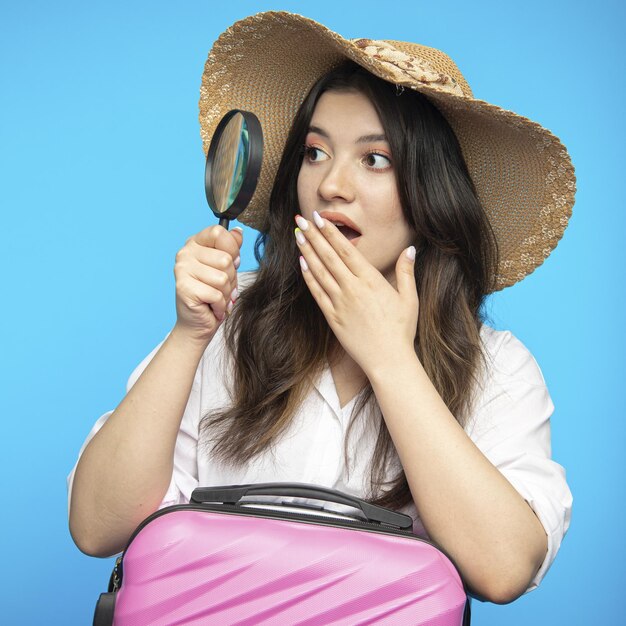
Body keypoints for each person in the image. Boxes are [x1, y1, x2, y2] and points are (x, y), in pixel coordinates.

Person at [68, 11, 574, 604]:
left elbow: (505, 569)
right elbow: (96, 526)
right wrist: (187, 336)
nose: (331, 185)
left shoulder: (500, 369)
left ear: (433, 196)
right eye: (314, 152)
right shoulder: (228, 322)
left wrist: (391, 361)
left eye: (375, 159)